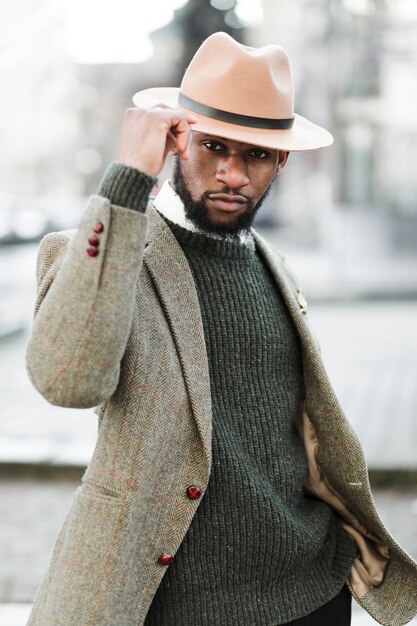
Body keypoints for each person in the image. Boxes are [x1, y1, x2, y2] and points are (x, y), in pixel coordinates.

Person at [25, 32, 416, 626]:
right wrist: (127, 179)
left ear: (281, 160)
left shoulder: (273, 265)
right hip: (171, 604)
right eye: (213, 147)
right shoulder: (106, 253)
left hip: (308, 592)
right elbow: (67, 380)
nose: (233, 174)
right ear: (178, 141)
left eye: (256, 155)